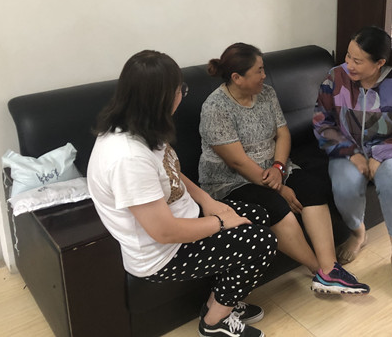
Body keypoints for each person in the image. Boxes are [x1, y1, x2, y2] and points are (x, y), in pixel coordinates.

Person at [87, 50, 276, 337]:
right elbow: (164, 232)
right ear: (162, 98)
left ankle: (219, 302)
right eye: (180, 90)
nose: (182, 95)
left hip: (184, 218)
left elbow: (171, 170)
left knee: (258, 214)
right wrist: (221, 222)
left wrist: (208, 202)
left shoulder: (142, 124)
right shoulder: (127, 158)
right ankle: (214, 323)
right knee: (261, 242)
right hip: (162, 253)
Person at [198, 43, 370, 295]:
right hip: (231, 181)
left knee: (312, 189)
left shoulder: (266, 93)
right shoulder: (215, 108)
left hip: (274, 168)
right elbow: (238, 162)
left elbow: (283, 133)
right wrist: (278, 189)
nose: (264, 75)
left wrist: (279, 167)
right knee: (277, 206)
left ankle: (330, 268)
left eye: (263, 68)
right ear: (237, 77)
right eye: (258, 71)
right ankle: (319, 272)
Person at [313, 26, 392, 295]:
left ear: (379, 63)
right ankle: (358, 233)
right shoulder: (335, 77)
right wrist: (352, 153)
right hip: (346, 149)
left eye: (358, 61)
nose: (349, 64)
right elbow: (321, 121)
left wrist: (378, 155)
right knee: (345, 187)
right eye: (348, 56)